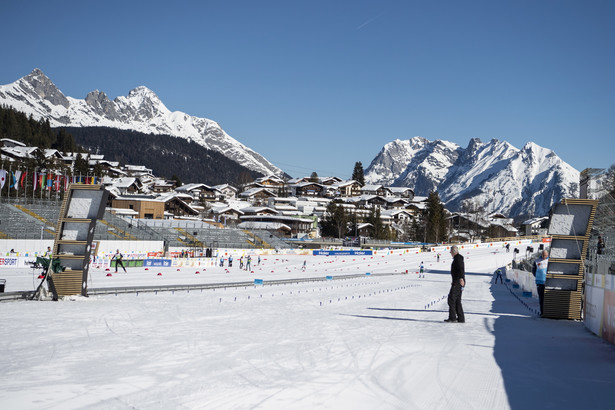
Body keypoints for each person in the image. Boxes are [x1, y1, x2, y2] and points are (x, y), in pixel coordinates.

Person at [445, 245, 465, 323]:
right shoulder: (458, 258)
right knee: (457, 300)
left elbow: (461, 269)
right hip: (457, 281)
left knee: (451, 299)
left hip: (458, 282)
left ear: (454, 252)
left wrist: (460, 278)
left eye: (451, 252)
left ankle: (452, 318)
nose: (450, 253)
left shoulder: (458, 258)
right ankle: (460, 318)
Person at [532, 250, 548, 316]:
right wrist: (538, 276)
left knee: (547, 298)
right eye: (543, 255)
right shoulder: (536, 261)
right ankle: (542, 312)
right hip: (539, 282)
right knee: (541, 298)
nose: (544, 256)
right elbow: (533, 271)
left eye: (545, 255)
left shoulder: (549, 261)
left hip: (548, 282)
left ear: (547, 255)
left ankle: (547, 312)